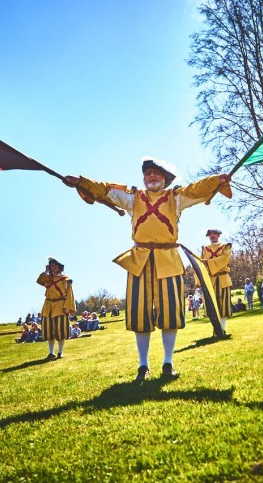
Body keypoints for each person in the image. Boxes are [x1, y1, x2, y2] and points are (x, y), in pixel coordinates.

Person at [64, 157, 231, 381]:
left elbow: (196, 189)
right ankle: (143, 366)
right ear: (143, 178)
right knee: (140, 315)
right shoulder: (133, 198)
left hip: (168, 261)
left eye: (157, 173)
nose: (152, 176)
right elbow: (105, 189)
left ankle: (168, 362)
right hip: (139, 261)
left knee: (170, 314)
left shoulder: (176, 198)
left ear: (165, 179)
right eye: (148, 173)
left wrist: (217, 180)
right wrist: (82, 182)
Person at [37, 257, 75, 360]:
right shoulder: (48, 278)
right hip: (48, 306)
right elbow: (39, 281)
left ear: (59, 267)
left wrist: (68, 307)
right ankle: (51, 353)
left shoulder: (65, 279)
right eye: (51, 266)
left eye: (55, 266)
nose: (53, 268)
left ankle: (60, 352)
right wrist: (46, 271)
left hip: (60, 306)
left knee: (60, 330)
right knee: (49, 330)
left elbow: (69, 294)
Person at [201, 228, 233, 336]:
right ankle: (216, 330)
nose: (212, 236)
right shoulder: (204, 249)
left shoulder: (225, 246)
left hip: (223, 279)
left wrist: (208, 262)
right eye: (210, 234)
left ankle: (221, 329)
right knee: (211, 306)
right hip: (210, 280)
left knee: (223, 306)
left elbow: (225, 259)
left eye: (214, 234)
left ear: (218, 235)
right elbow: (201, 265)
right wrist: (199, 280)